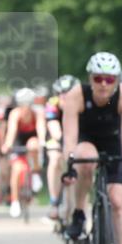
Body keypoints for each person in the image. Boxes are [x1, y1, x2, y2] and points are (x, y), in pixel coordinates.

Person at [62, 53, 122, 244]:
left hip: (115, 144)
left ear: (116, 80)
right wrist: (69, 166)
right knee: (85, 159)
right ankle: (79, 213)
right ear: (90, 79)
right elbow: (69, 138)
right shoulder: (75, 96)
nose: (103, 84)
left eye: (109, 79)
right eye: (98, 78)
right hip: (87, 141)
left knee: (118, 202)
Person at [0, 88, 46, 217]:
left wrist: (42, 141)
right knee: (16, 170)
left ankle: (35, 173)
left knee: (33, 144)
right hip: (18, 141)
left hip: (32, 140)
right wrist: (7, 145)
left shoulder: (37, 114)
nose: (25, 107)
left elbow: (41, 129)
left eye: (28, 104)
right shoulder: (15, 114)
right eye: (23, 104)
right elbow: (12, 132)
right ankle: (15, 201)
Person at [46, 74, 78, 220]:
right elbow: (55, 130)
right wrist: (63, 141)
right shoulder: (52, 104)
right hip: (57, 138)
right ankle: (54, 201)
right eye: (62, 93)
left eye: (69, 93)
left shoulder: (80, 103)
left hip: (76, 137)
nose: (65, 97)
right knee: (55, 158)